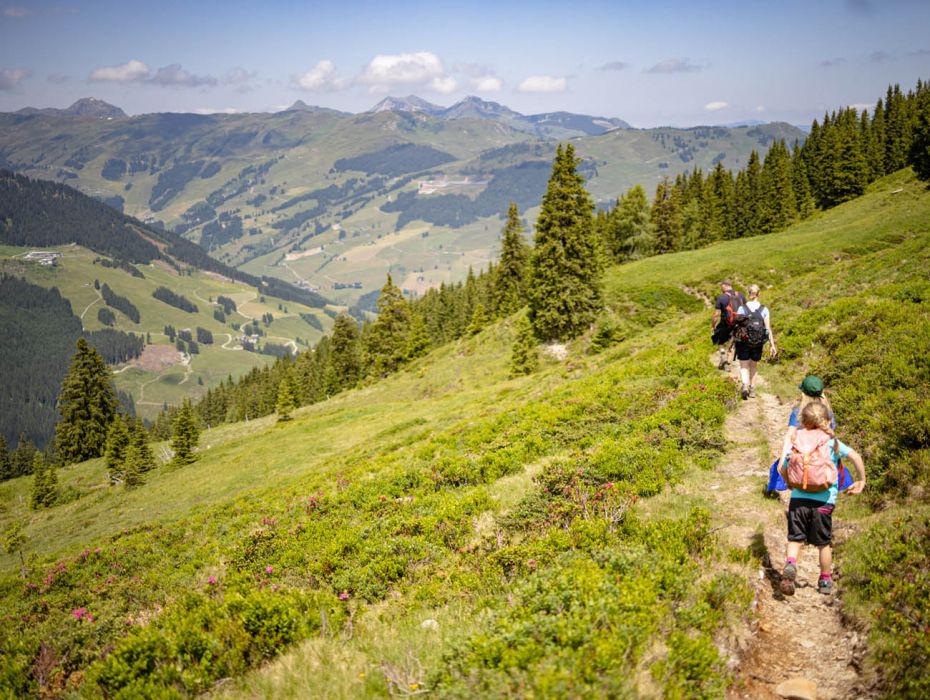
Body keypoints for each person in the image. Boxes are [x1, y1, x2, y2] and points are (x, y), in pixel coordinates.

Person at [778, 402, 865, 596]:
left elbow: (783, 467)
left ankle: (791, 564)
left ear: (802, 421)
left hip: (798, 498)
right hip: (825, 501)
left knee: (795, 538)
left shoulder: (796, 438)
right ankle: (825, 579)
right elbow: (856, 457)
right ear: (827, 420)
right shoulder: (831, 441)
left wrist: (789, 483)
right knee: (823, 543)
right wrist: (862, 480)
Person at [734, 284, 777, 399]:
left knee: (744, 365)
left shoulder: (742, 308)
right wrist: (772, 345)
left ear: (748, 294)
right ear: (759, 294)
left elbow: (737, 327)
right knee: (753, 365)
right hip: (758, 342)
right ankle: (752, 389)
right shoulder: (764, 309)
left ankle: (745, 385)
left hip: (743, 341)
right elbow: (768, 329)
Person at [710, 279, 746, 370]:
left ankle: (724, 359)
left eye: (721, 286)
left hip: (725, 324)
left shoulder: (722, 297)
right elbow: (745, 310)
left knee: (720, 342)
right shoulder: (741, 295)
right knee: (732, 343)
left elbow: (716, 314)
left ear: (725, 285)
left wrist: (713, 325)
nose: (721, 288)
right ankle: (728, 364)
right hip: (739, 324)